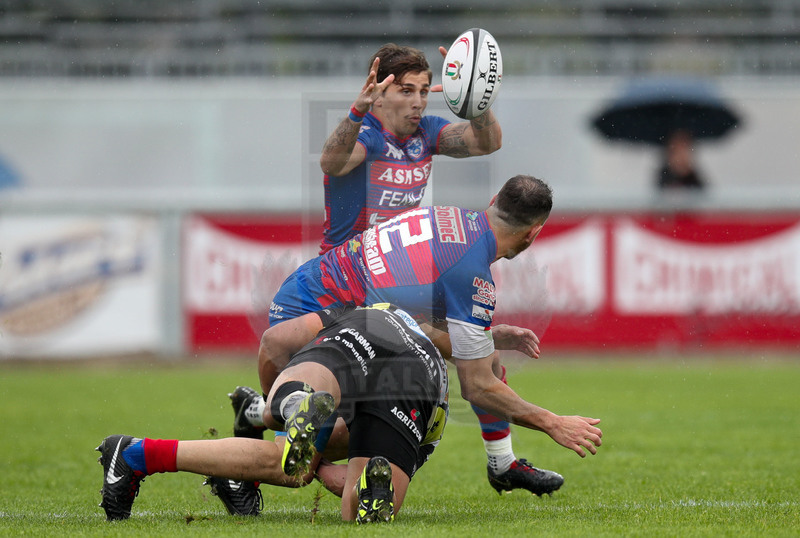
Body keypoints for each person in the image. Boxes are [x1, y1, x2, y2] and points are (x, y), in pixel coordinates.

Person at [219, 175, 601, 513]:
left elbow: (410, 307)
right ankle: (250, 441)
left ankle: (502, 463)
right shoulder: (473, 275)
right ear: (533, 233)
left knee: (485, 353)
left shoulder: (450, 217)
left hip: (322, 293)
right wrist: (553, 422)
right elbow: (477, 387)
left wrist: (486, 335)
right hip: (321, 312)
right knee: (306, 461)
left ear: (492, 202)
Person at [96, 303, 450, 523]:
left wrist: (274, 409)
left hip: (368, 328)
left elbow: (275, 341)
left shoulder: (368, 307)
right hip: (419, 379)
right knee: (340, 494)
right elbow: (339, 476)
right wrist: (316, 466)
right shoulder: (437, 389)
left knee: (294, 434)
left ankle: (278, 408)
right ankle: (365, 495)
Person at [317, 43, 502, 254]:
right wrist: (357, 111)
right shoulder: (368, 135)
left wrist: (475, 98)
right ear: (378, 95)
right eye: (406, 91)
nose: (418, 102)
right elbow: (330, 165)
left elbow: (488, 143)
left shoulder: (427, 132)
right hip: (343, 267)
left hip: (392, 265)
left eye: (423, 92)